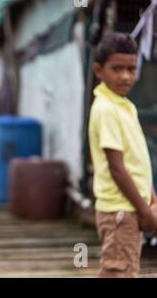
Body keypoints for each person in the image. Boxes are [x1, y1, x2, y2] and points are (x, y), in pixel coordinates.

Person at [89, 32, 157, 278]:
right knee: (119, 272)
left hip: (130, 208)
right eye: (117, 68)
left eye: (132, 68)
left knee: (123, 271)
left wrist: (151, 200)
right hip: (121, 211)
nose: (126, 76)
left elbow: (136, 161)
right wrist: (145, 211)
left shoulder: (124, 105)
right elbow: (117, 168)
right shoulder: (106, 109)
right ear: (99, 70)